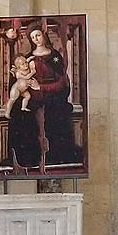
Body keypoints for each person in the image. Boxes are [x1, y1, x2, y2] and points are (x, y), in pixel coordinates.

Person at [27, 24, 79, 167]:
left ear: (43, 35)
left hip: (52, 95)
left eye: (37, 35)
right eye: (32, 37)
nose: (36, 39)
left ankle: (58, 155)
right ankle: (31, 157)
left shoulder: (54, 56)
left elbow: (62, 83)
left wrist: (42, 87)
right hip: (34, 97)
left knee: (57, 114)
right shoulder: (28, 58)